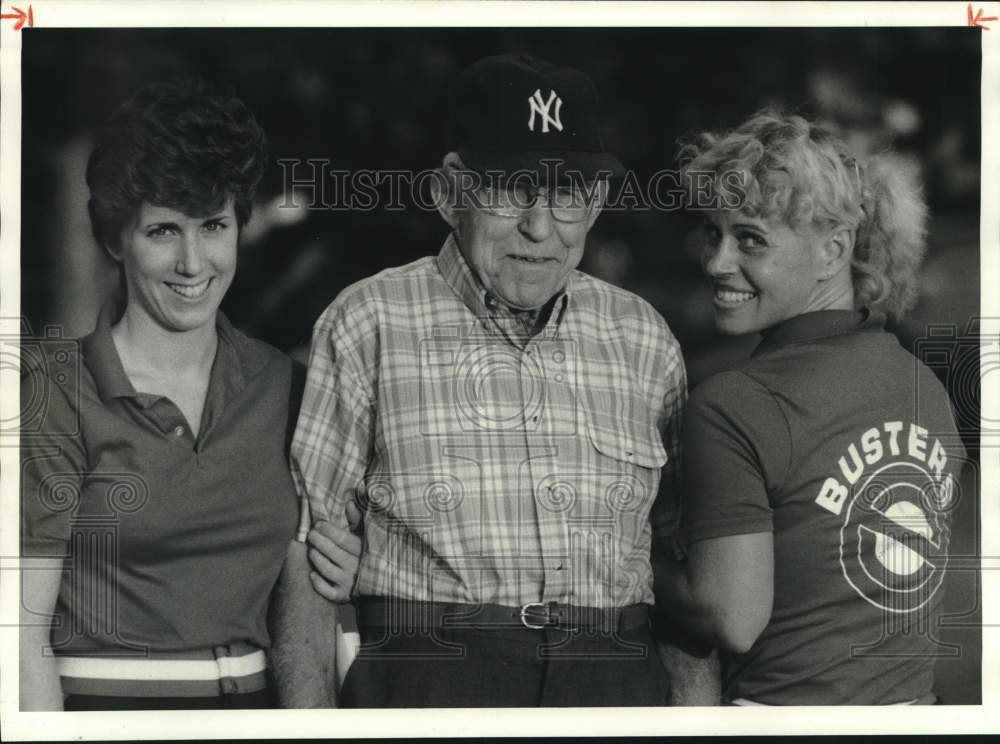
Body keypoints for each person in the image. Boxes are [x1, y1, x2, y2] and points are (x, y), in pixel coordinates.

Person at [272, 53, 717, 707]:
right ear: (453, 191)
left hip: (615, 685)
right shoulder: (368, 320)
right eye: (512, 188)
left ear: (594, 205)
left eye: (566, 194)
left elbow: (682, 578)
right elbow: (306, 564)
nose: (540, 228)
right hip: (427, 683)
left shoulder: (643, 337)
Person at [654, 110, 965, 705]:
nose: (717, 262)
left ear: (833, 251)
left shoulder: (734, 404)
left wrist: (625, 551)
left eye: (750, 238)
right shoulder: (924, 386)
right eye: (712, 233)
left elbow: (732, 617)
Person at [19, 80, 300, 710]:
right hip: (106, 712)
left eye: (214, 225)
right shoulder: (55, 392)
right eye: (163, 231)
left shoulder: (281, 384)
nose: (194, 263)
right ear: (117, 239)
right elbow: (18, 636)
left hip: (256, 708)